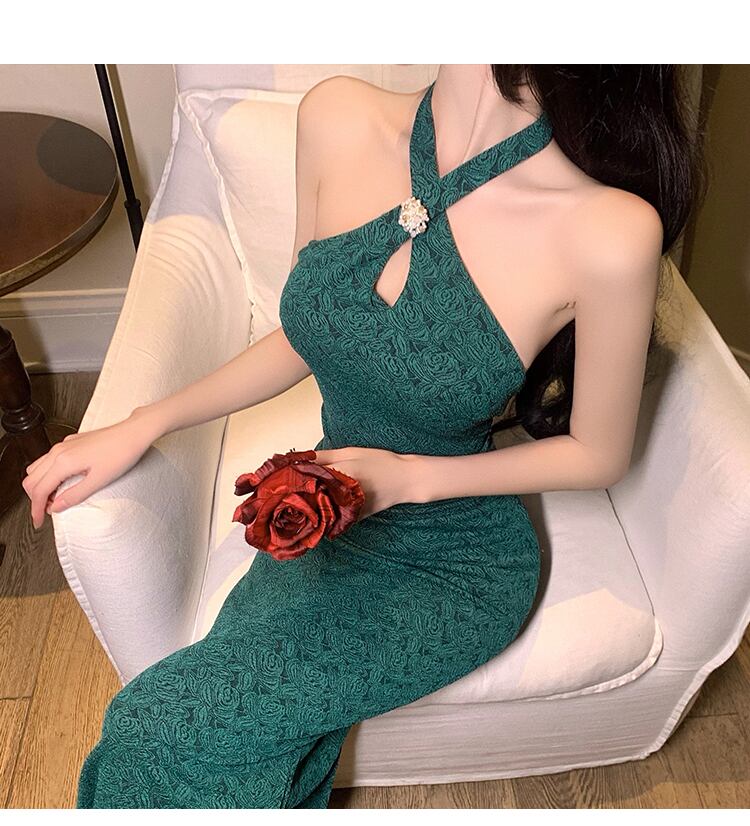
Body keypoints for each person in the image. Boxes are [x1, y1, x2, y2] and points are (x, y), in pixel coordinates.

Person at [22, 64, 704, 808]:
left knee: (153, 724)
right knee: (234, 739)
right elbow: (308, 332)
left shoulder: (609, 230)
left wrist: (412, 478)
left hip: (453, 563)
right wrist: (141, 423)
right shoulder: (337, 116)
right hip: (321, 518)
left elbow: (599, 455)